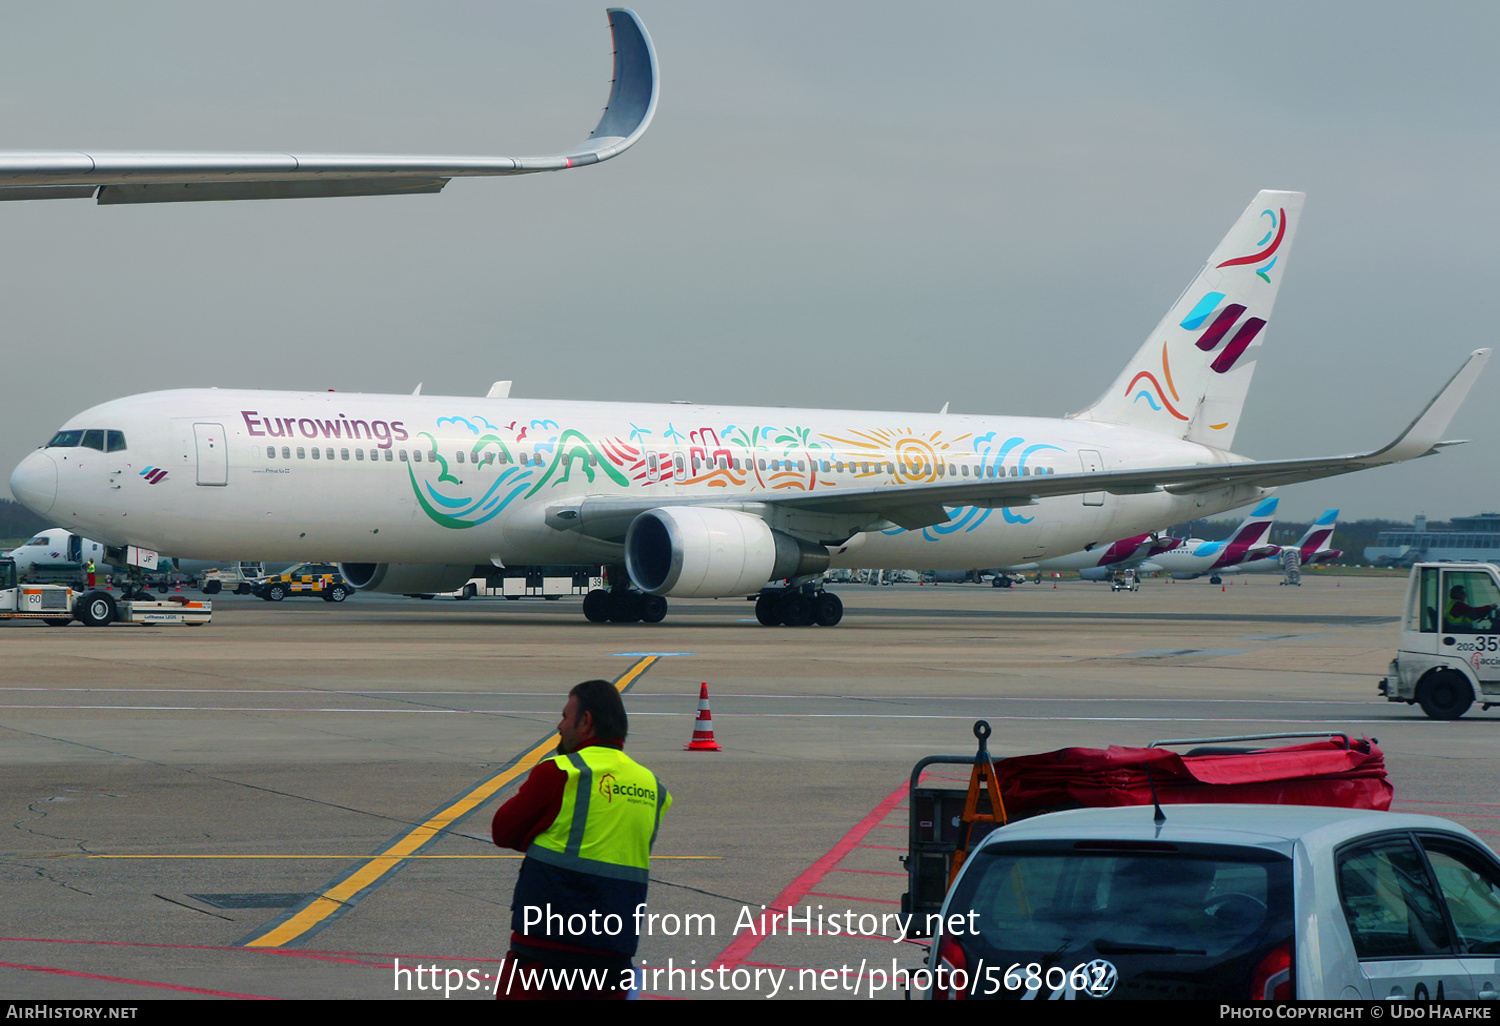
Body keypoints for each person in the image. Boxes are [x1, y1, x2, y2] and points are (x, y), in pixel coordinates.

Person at [491, 680, 671, 999]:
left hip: (546, 950)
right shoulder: (653, 788)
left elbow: (504, 831)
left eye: (564, 716)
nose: (559, 726)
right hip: (614, 951)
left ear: (586, 722)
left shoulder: (561, 772)